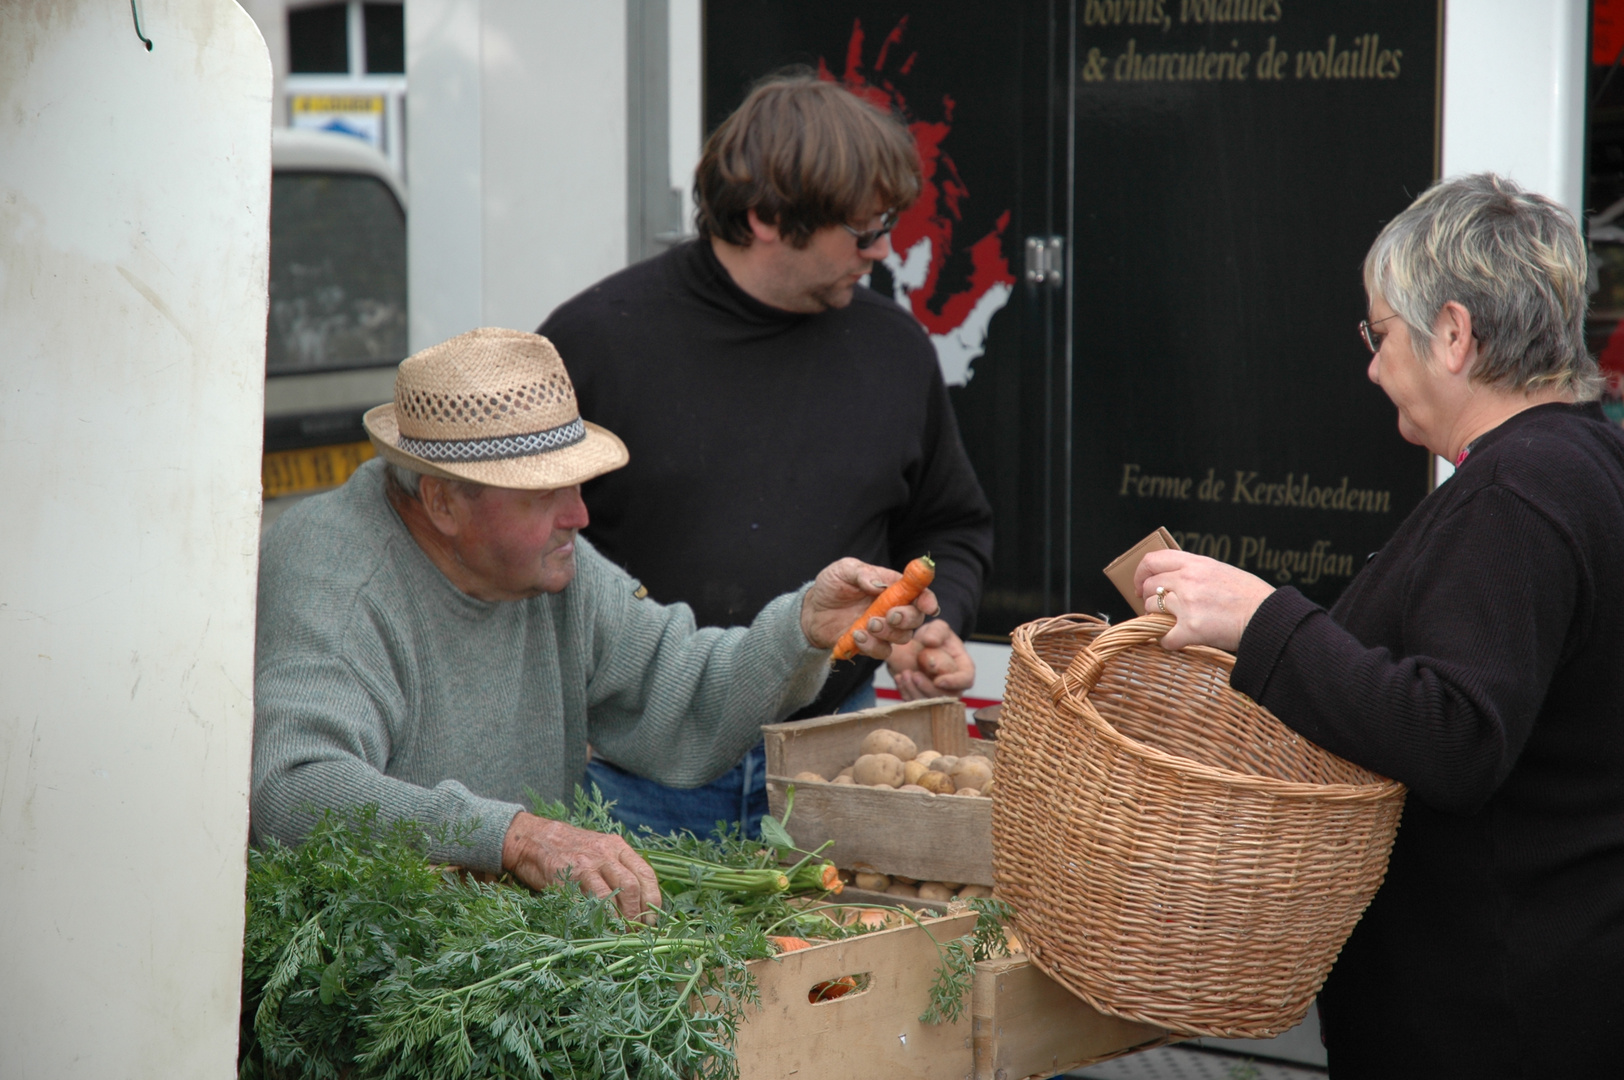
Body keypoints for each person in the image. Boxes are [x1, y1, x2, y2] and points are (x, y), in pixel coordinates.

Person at [1133, 174, 1624, 1076]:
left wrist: (1264, 621)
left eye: (1380, 333)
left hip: (1490, 1024)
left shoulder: (1517, 492)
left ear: (1452, 333)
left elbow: (1457, 732)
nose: (1370, 365)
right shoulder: (1587, 461)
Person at [250, 327, 943, 921]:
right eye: (546, 493)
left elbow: (685, 698)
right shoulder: (339, 579)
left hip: (493, 964)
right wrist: (514, 837)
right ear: (442, 502)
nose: (579, 518)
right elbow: (293, 786)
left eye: (577, 486)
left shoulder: (552, 572)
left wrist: (802, 628)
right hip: (363, 986)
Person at [538, 73, 994, 838]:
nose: (883, 251)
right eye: (863, 230)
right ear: (767, 217)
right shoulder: (596, 342)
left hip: (834, 761)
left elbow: (950, 526)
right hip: (634, 779)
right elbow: (519, 548)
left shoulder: (895, 350)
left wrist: (928, 619)